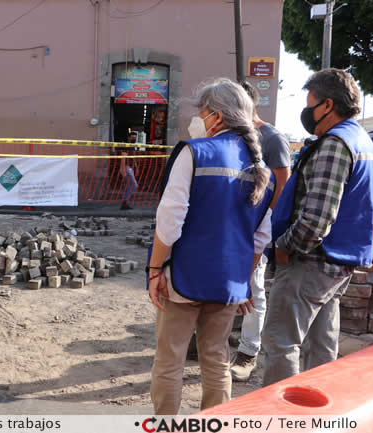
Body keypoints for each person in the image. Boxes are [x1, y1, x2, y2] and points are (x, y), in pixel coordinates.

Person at [148, 78, 274, 414]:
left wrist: (154, 269)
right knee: (217, 359)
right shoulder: (263, 171)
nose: (197, 119)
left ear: (216, 116)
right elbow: (260, 239)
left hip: (184, 278)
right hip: (229, 284)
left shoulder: (194, 152)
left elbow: (169, 222)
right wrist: (244, 282)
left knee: (170, 360)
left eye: (201, 111)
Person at [263, 68, 373, 386]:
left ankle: (280, 418)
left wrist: (283, 246)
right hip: (339, 262)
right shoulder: (362, 141)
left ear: (327, 105)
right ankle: (316, 416)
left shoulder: (334, 145)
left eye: (310, 102)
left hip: (311, 262)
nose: (306, 110)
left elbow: (315, 221)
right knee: (321, 347)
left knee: (281, 344)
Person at [229, 82, 292, 382]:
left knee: (253, 286)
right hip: (232, 225)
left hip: (258, 228)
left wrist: (265, 225)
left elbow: (283, 186)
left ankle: (249, 351)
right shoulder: (236, 135)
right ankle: (220, 337)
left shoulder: (272, 139)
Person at [120, 131, 139, 210]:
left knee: (128, 186)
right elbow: (123, 158)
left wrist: (136, 167)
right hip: (126, 168)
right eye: (133, 137)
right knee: (134, 185)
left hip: (130, 168)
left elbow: (133, 158)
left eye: (135, 137)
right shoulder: (126, 146)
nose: (134, 139)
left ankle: (125, 203)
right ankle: (124, 202)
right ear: (129, 137)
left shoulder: (132, 146)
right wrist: (123, 169)